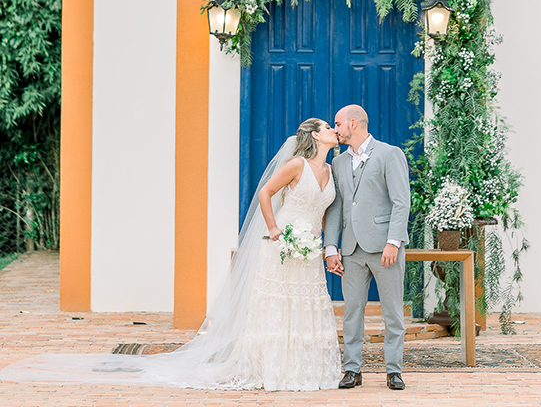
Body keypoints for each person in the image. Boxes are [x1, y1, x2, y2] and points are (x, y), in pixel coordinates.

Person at [0, 118, 342, 392]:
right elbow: (265, 193)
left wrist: (321, 242)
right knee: (277, 306)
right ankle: (273, 370)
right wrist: (273, 229)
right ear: (314, 134)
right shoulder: (296, 164)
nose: (333, 131)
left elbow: (323, 211)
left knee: (306, 304)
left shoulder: (330, 171)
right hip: (281, 246)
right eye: (328, 127)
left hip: (308, 249)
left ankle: (304, 369)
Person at [325, 105, 411, 391]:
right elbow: (336, 206)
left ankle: (394, 371)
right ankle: (352, 369)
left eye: (337, 124)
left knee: (392, 311)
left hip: (385, 249)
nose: (335, 129)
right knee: (352, 311)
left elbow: (401, 201)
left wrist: (393, 242)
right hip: (351, 250)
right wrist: (330, 247)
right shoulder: (338, 163)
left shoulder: (389, 154)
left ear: (353, 123)